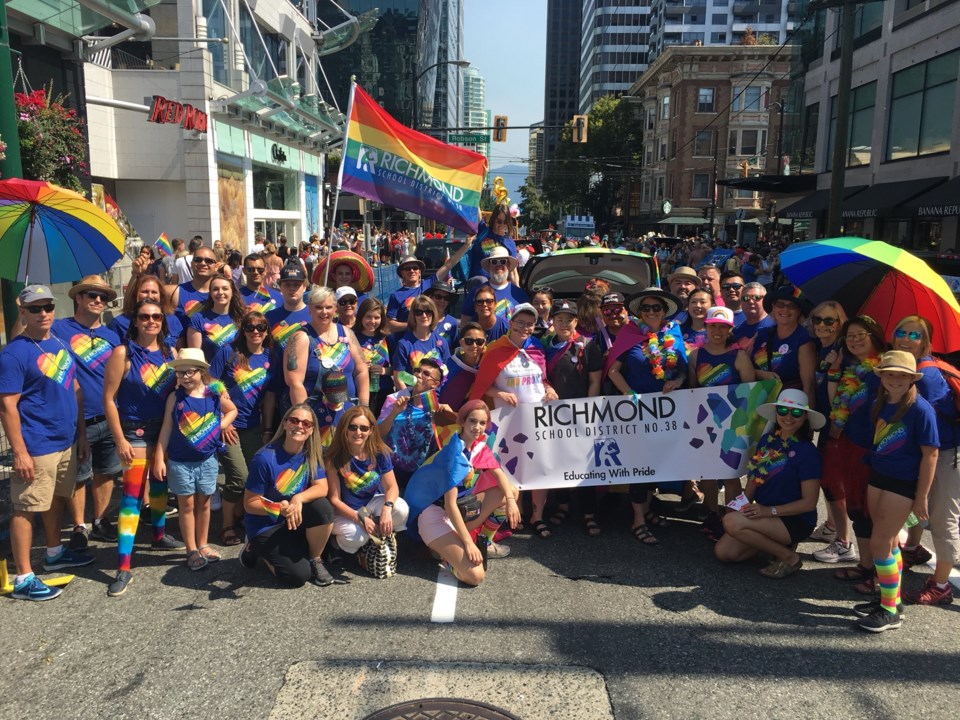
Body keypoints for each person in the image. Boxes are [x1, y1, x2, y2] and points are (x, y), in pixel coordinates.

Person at [0, 285, 94, 601]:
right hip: (36, 444)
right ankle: (24, 577)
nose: (44, 314)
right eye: (35, 308)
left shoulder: (58, 342)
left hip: (65, 440)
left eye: (48, 307)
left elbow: (76, 389)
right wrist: (20, 452)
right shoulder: (14, 353)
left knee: (54, 499)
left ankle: (53, 552)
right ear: (22, 313)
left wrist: (81, 434)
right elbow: (7, 405)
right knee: (26, 508)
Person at [103, 300, 185, 596]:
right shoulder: (122, 353)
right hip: (133, 432)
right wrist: (120, 440)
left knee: (161, 485)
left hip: (163, 429)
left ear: (163, 321)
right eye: (144, 316)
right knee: (132, 497)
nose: (150, 321)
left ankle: (160, 534)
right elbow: (109, 399)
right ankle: (123, 566)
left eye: (156, 316)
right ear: (134, 321)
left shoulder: (169, 353)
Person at [853, 351, 938, 632]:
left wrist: (921, 496)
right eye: (890, 373)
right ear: (882, 376)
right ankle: (891, 599)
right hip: (878, 476)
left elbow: (931, 455)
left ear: (911, 378)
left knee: (879, 543)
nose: (895, 379)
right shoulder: (879, 403)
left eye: (902, 375)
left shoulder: (921, 409)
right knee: (888, 543)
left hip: (902, 484)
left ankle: (889, 612)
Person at [606, 287, 687, 544]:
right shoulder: (630, 333)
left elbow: (683, 369)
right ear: (639, 312)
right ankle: (638, 519)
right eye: (646, 308)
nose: (651, 312)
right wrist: (629, 393)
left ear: (664, 310)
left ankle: (649, 509)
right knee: (639, 464)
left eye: (656, 308)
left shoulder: (673, 332)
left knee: (656, 462)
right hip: (637, 409)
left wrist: (677, 381)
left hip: (665, 411)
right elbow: (613, 371)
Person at [409, 400, 521, 585]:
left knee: (511, 491)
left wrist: (510, 500)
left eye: (482, 423)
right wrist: (467, 543)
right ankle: (446, 555)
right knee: (475, 576)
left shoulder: (477, 446)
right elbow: (449, 505)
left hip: (460, 511)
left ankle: (484, 543)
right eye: (472, 421)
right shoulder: (453, 453)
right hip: (437, 516)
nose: (477, 427)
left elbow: (499, 474)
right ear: (462, 421)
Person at [469, 303, 557, 538]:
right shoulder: (495, 350)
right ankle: (511, 515)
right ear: (510, 323)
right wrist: (498, 394)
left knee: (539, 468)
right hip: (506, 422)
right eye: (520, 322)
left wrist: (549, 390)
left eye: (529, 324)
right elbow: (481, 388)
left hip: (538, 420)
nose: (525, 328)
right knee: (510, 469)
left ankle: (537, 517)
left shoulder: (537, 348)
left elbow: (543, 379)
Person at [715, 389, 824, 577]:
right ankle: (777, 544)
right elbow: (753, 480)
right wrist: (739, 505)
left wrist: (767, 511)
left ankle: (789, 558)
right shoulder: (767, 441)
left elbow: (809, 503)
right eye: (783, 410)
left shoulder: (808, 453)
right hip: (766, 513)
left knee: (732, 523)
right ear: (776, 413)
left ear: (805, 417)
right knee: (724, 553)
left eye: (796, 412)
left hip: (793, 519)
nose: (788, 417)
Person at [890, 317, 958, 606]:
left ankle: (941, 584)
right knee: (920, 502)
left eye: (914, 335)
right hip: (931, 452)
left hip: (947, 454)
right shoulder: (910, 368)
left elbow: (921, 426)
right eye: (900, 332)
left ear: (925, 342)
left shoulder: (925, 376)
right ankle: (915, 547)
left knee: (944, 519)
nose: (905, 338)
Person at [52, 276, 122, 549]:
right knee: (78, 475)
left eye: (103, 297)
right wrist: (23, 312)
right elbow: (23, 335)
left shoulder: (112, 335)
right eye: (91, 295)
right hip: (76, 419)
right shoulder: (59, 329)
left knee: (107, 472)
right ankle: (80, 525)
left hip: (109, 416)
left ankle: (100, 520)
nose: (98, 301)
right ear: (78, 298)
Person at [818, 315, 886, 590]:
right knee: (854, 505)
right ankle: (865, 564)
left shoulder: (883, 368)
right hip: (847, 441)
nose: (855, 339)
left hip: (870, 449)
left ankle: (877, 574)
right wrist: (835, 367)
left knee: (870, 510)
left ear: (875, 336)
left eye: (862, 334)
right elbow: (837, 401)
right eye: (850, 336)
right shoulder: (852, 366)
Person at [153, 349, 237, 570]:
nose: (184, 377)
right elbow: (166, 429)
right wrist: (159, 458)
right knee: (187, 505)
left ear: (201, 372)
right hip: (180, 462)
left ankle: (203, 544)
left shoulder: (214, 394)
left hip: (208, 460)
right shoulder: (175, 397)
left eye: (189, 372)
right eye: (180, 373)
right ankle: (191, 549)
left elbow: (233, 410)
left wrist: (219, 426)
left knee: (204, 503)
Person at [241, 404, 339, 588]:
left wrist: (298, 499)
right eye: (294, 420)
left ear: (311, 430)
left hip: (293, 518)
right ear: (285, 423)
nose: (299, 426)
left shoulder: (310, 454)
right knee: (298, 576)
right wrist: (280, 508)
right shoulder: (264, 459)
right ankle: (255, 548)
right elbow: (250, 503)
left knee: (323, 508)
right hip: (265, 525)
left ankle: (315, 559)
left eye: (306, 423)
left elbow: (321, 487)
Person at [688, 306, 757, 538]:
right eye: (713, 325)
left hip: (733, 424)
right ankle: (712, 513)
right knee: (707, 473)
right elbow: (692, 389)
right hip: (706, 422)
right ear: (706, 326)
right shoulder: (696, 355)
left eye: (723, 327)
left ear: (730, 330)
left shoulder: (739, 356)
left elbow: (750, 392)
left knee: (730, 474)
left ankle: (731, 516)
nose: (717, 330)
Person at [209, 310, 275, 546]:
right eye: (250, 327)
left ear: (267, 330)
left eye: (261, 327)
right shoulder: (229, 352)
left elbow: (269, 396)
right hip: (230, 427)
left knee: (256, 477)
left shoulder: (270, 355)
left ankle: (240, 513)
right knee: (238, 476)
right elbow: (208, 380)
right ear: (243, 330)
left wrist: (267, 429)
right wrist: (222, 416)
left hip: (255, 427)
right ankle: (226, 525)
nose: (256, 331)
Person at [542, 300, 599, 536]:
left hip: (581, 416)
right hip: (553, 417)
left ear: (576, 321)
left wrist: (588, 410)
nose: (564, 323)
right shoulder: (544, 346)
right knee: (559, 463)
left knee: (585, 466)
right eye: (559, 319)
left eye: (569, 319)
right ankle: (563, 505)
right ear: (552, 322)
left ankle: (589, 513)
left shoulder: (587, 346)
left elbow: (595, 380)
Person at [325, 406, 409, 558]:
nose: (358, 432)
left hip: (369, 505)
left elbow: (392, 487)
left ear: (371, 431)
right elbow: (335, 500)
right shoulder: (335, 458)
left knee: (401, 509)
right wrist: (360, 519)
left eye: (363, 428)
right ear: (345, 429)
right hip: (346, 510)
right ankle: (334, 545)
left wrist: (386, 510)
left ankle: (374, 538)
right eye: (353, 427)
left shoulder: (380, 452)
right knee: (356, 536)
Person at [284, 286, 369, 417]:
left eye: (328, 307)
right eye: (318, 307)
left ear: (335, 309)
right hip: (315, 415)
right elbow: (295, 383)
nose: (324, 312)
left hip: (347, 414)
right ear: (310, 309)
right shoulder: (300, 338)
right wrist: (304, 419)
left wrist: (364, 407)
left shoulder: (346, 333)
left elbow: (361, 370)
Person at [807, 301, 849, 545]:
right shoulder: (819, 347)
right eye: (817, 319)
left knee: (835, 481)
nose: (822, 325)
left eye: (829, 320)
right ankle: (832, 525)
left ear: (839, 323)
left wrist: (836, 366)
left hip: (837, 425)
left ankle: (842, 538)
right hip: (823, 421)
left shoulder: (843, 350)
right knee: (828, 478)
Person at [378, 358, 451, 488]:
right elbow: (378, 434)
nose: (418, 375)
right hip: (392, 470)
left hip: (421, 475)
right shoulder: (395, 399)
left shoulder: (438, 410)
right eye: (417, 371)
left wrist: (450, 418)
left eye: (426, 374)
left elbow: (449, 443)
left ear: (435, 384)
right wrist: (394, 413)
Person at [751, 285, 816, 401]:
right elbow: (743, 368)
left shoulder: (803, 340)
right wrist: (761, 374)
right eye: (780, 305)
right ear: (773, 307)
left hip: (788, 409)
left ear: (799, 311)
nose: (785, 310)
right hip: (759, 403)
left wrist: (807, 417)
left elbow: (809, 386)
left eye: (792, 306)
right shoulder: (761, 334)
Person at [385, 247, 470, 333]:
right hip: (407, 342)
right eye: (407, 269)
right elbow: (389, 325)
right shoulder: (396, 295)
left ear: (420, 272)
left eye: (415, 268)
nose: (411, 271)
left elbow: (449, 264)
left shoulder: (428, 284)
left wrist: (466, 244)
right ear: (402, 273)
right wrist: (414, 325)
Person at [108, 274, 182, 349]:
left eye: (154, 292)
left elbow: (181, 352)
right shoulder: (119, 323)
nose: (149, 296)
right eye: (145, 292)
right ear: (135, 295)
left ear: (161, 295)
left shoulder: (173, 320)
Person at [391, 296, 451, 390]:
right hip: (413, 397)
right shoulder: (404, 344)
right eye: (419, 312)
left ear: (433, 314)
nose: (424, 316)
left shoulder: (442, 342)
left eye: (428, 312)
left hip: (436, 397)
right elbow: (399, 376)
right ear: (413, 316)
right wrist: (410, 397)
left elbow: (446, 373)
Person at [461, 247, 529, 323]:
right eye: (494, 262)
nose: (498, 265)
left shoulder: (519, 294)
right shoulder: (476, 292)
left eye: (503, 262)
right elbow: (465, 321)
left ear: (509, 265)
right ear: (489, 266)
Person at [187, 275, 245, 361]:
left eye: (225, 288)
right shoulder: (198, 319)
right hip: (210, 373)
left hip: (240, 372)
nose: (220, 292)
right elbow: (195, 357)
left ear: (232, 292)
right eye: (215, 289)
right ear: (210, 293)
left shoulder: (243, 316)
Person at [354, 298, 392, 417]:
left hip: (384, 391)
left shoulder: (388, 338)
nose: (372, 321)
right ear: (361, 317)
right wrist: (360, 367)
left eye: (377, 317)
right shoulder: (352, 337)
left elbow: (398, 370)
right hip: (360, 392)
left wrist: (385, 371)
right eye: (368, 317)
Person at [586, 292, 628, 398]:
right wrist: (602, 361)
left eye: (618, 310)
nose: (613, 315)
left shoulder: (640, 331)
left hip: (644, 392)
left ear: (627, 310)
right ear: (602, 314)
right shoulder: (596, 341)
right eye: (607, 311)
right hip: (611, 396)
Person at [171, 242, 218, 331]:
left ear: (216, 267)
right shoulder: (176, 292)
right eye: (198, 259)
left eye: (208, 261)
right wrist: (136, 274)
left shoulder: (224, 293)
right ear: (192, 264)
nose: (203, 263)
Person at [440, 322, 486, 411]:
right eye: (469, 341)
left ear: (484, 343)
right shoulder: (448, 366)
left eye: (479, 342)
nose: (474, 346)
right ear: (461, 342)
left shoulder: (489, 366)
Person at [467, 204, 519, 280]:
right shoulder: (483, 231)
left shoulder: (510, 243)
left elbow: (513, 273)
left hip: (499, 284)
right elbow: (475, 202)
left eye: (505, 222)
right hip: (479, 283)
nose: (502, 225)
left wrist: (517, 290)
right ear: (493, 219)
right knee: (481, 281)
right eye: (499, 221)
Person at [732, 282, 773, 353]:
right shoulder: (735, 332)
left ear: (765, 300)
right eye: (745, 298)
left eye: (756, 297)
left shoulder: (777, 325)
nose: (750, 301)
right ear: (741, 302)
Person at [424, 281, 460, 353]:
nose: (442, 301)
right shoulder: (421, 319)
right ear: (430, 297)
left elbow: (455, 348)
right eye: (438, 297)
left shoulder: (453, 322)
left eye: (446, 298)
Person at [680, 287, 713, 353]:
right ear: (688, 305)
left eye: (702, 302)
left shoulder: (716, 332)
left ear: (712, 305)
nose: (697, 305)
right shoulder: (679, 330)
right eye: (693, 302)